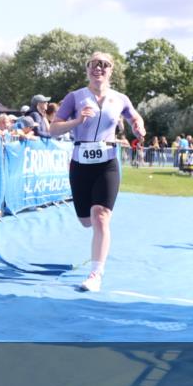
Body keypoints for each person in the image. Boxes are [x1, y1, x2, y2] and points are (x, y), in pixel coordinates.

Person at [49, 52, 145, 293]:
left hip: (108, 162)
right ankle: (95, 236)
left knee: (100, 216)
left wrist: (138, 126)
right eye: (94, 64)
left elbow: (134, 116)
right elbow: (53, 129)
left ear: (111, 70)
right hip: (80, 163)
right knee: (86, 221)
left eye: (104, 65)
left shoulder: (120, 98)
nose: (98, 69)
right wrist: (77, 121)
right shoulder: (75, 97)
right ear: (87, 69)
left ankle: (95, 274)